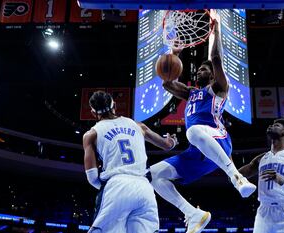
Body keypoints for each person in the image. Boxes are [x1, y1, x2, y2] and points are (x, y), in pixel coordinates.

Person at [149, 19, 256, 233]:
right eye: (197, 70)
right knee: (153, 175)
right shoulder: (191, 94)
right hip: (197, 151)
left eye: (204, 69)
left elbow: (215, 58)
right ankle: (193, 213)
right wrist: (175, 54)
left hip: (218, 139)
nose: (199, 72)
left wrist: (215, 33)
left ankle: (237, 177)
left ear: (213, 73)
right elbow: (167, 83)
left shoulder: (219, 88)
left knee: (193, 131)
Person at [83, 91, 178, 233]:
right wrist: (172, 141)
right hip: (144, 187)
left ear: (92, 112)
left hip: (116, 185)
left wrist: (110, 188)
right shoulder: (139, 126)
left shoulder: (91, 134)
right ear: (114, 105)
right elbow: (167, 145)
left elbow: (92, 177)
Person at [238, 118, 284, 233]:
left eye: (276, 125)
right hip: (263, 213)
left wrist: (281, 181)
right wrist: (226, 160)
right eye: (271, 124)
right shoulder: (261, 158)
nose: (271, 126)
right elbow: (235, 175)